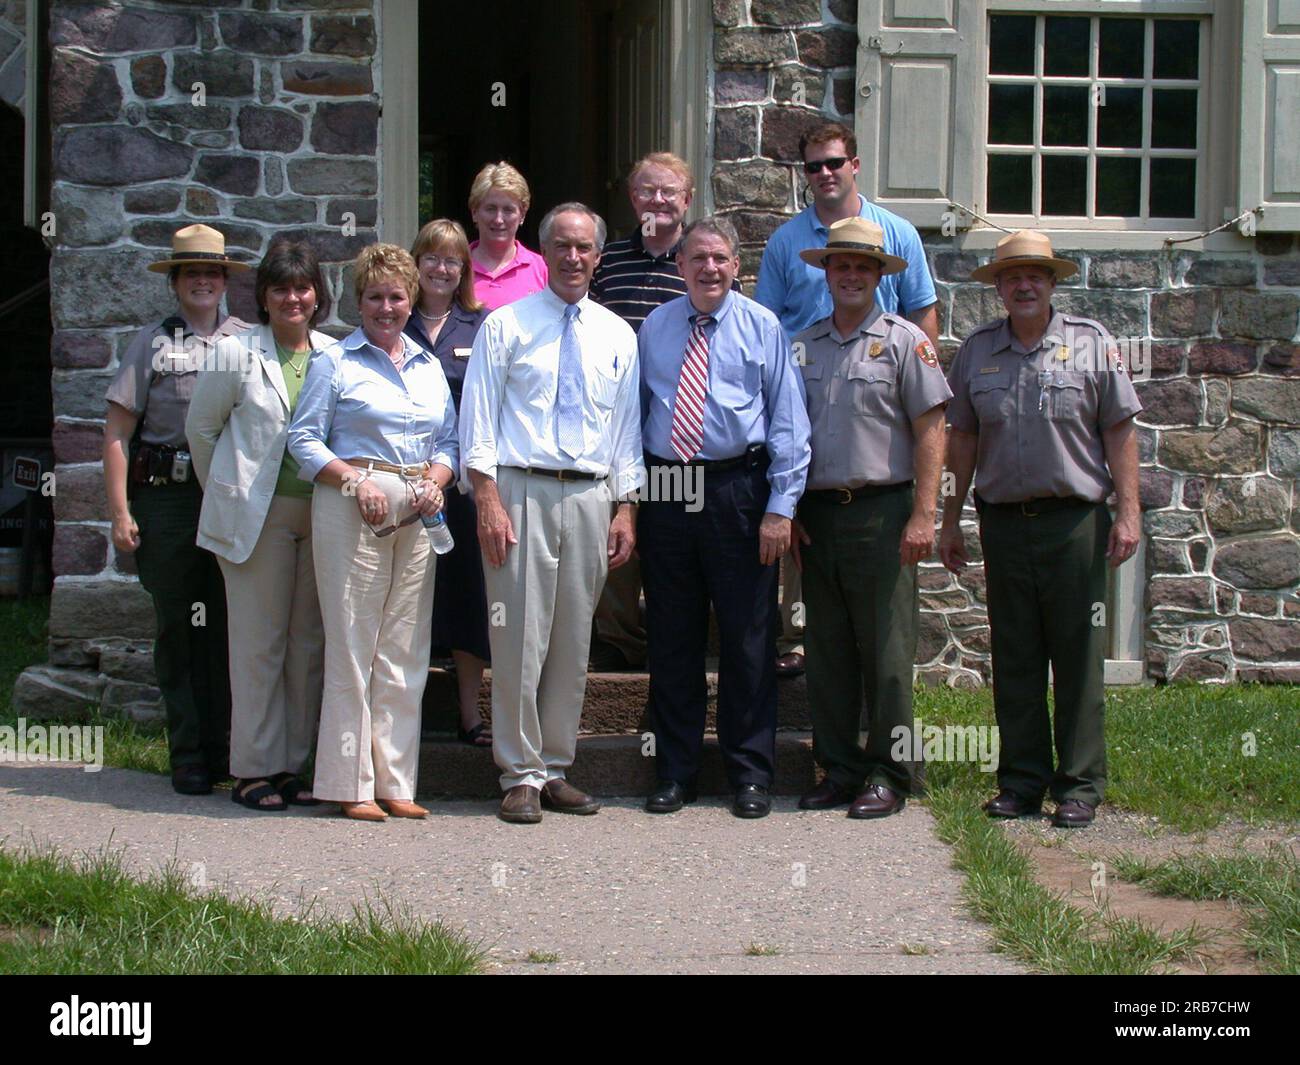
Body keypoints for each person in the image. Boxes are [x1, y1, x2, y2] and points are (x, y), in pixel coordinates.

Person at [938, 230, 1142, 829]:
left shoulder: (1089, 345)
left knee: (1077, 655)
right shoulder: (977, 351)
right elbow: (963, 439)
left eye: (1036, 275)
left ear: (1052, 283)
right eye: (1011, 277)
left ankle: (1079, 784)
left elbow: (1119, 431)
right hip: (1003, 522)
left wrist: (1128, 513)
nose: (1023, 285)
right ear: (998, 288)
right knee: (1016, 655)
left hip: (1073, 521)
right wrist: (950, 521)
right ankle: (1022, 780)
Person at [460, 202, 643, 825]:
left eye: (584, 248)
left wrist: (626, 507)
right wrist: (486, 498)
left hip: (591, 495)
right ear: (545, 253)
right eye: (561, 246)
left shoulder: (618, 335)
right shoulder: (505, 326)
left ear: (597, 256)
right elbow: (477, 421)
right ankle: (518, 774)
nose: (572, 258)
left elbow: (626, 431)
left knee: (573, 636)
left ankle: (556, 767)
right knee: (519, 636)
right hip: (520, 491)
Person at [638, 217, 811, 819]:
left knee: (748, 637)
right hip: (668, 483)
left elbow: (789, 423)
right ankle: (675, 773)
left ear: (738, 266)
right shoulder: (655, 327)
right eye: (697, 258)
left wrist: (779, 509)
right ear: (680, 265)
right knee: (673, 634)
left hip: (739, 485)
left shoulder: (764, 328)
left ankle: (750, 774)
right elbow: (635, 419)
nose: (709, 269)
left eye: (720, 258)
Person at [755, 121, 941, 680]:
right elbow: (767, 325)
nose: (824, 174)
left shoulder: (897, 232)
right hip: (803, 388)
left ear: (854, 164)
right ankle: (795, 636)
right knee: (801, 528)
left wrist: (913, 389)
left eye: (834, 162)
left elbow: (922, 314)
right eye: (813, 166)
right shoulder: (787, 242)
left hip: (873, 393)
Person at [287, 243, 459, 822]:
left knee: (404, 649)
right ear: (358, 302)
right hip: (352, 510)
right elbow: (304, 439)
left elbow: (449, 444)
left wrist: (438, 480)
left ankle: (396, 781)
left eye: (396, 296)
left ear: (412, 299)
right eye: (374, 297)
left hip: (417, 513)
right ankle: (348, 782)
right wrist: (350, 479)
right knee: (353, 643)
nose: (386, 307)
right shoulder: (335, 362)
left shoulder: (428, 366)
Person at [791, 218, 951, 819]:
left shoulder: (907, 341)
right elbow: (787, 435)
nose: (851, 275)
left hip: (885, 515)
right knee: (827, 653)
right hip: (820, 516)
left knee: (886, 654)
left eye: (863, 266)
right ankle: (839, 768)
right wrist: (789, 510)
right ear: (826, 274)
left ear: (880, 275)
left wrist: (924, 513)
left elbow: (932, 427)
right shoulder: (801, 345)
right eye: (841, 266)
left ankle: (890, 771)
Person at [103, 223, 250, 796]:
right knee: (182, 625)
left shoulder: (247, 338)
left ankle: (232, 749)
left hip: (230, 497)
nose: (203, 281)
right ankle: (188, 751)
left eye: (212, 271)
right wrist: (120, 511)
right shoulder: (152, 342)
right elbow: (118, 431)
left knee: (229, 624)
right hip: (168, 500)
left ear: (224, 279)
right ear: (176, 282)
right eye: (192, 273)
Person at [186, 239, 333, 811]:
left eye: (302, 287)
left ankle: (291, 766)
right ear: (264, 297)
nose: (293, 298)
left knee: (307, 645)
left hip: (319, 515)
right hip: (258, 516)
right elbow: (202, 431)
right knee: (257, 645)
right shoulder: (235, 352)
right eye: (280, 288)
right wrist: (228, 493)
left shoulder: (333, 353)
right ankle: (252, 768)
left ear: (317, 294)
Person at [587, 151, 695, 672]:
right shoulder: (606, 261)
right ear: (632, 200)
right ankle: (620, 642)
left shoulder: (701, 261)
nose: (657, 200)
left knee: (672, 532)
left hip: (679, 428)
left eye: (668, 192)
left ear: (686, 201)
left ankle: (674, 640)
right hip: (614, 423)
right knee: (616, 530)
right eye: (647, 191)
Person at [404, 219, 492, 747]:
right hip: (401, 488)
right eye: (432, 258)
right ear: (416, 264)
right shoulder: (392, 319)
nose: (441, 268)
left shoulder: (480, 328)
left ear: (464, 270)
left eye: (452, 260)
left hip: (457, 492)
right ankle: (403, 715)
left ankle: (469, 713)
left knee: (465, 598)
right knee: (406, 601)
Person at [467, 161, 548, 311]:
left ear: (522, 215)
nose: (498, 219)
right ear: (474, 212)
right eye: (490, 209)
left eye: (508, 210)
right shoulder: (455, 267)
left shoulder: (543, 269)